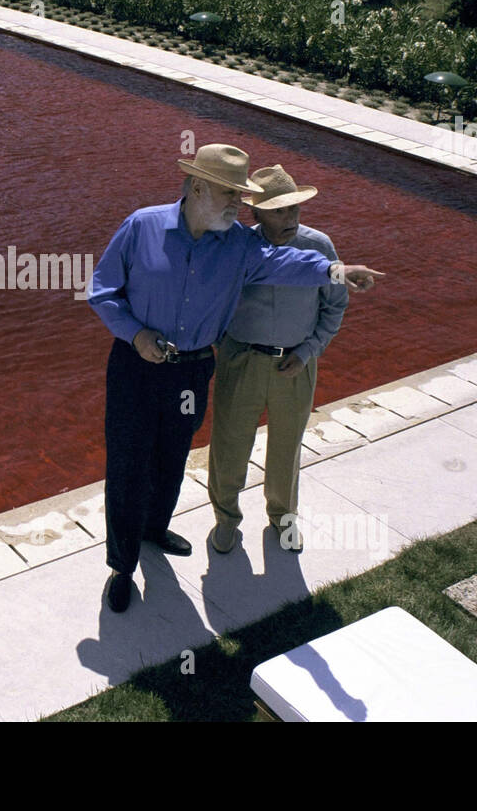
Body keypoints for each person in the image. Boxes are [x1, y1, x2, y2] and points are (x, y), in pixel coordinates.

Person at [87, 144, 383, 613]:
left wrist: (337, 270)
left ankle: (155, 527)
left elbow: (286, 263)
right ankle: (121, 567)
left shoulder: (241, 244)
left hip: (193, 368)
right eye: (230, 193)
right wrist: (136, 334)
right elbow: (102, 291)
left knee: (173, 455)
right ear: (198, 187)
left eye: (240, 195)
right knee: (128, 463)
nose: (238, 204)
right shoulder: (141, 225)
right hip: (136, 366)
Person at [207, 165, 347, 555]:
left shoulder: (319, 246)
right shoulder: (235, 246)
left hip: (296, 363)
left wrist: (308, 352)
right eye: (280, 211)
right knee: (229, 445)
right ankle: (226, 519)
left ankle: (283, 517)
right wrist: (226, 346)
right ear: (257, 212)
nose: (292, 217)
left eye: (295, 209)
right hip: (241, 360)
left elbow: (334, 307)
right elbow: (212, 298)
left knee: (287, 447)